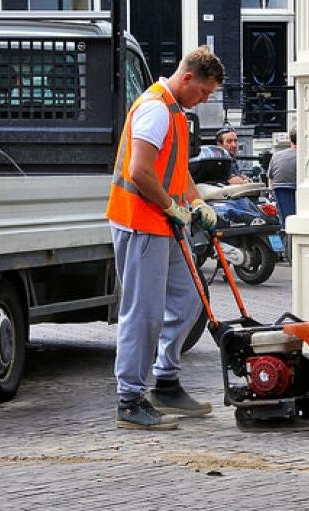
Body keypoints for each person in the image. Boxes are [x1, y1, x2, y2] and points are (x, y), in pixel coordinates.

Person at [105, 46, 224, 430]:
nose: (204, 100)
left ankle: (167, 381)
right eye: (204, 93)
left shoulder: (174, 111)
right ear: (188, 78)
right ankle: (129, 400)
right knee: (143, 313)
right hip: (141, 222)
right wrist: (172, 207)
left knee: (192, 297)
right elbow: (140, 171)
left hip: (165, 223)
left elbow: (172, 169)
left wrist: (195, 200)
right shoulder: (156, 110)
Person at [267, 127, 297, 229]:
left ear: (290, 139)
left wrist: (272, 195)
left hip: (281, 197)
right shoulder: (306, 156)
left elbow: (270, 179)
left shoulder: (276, 156)